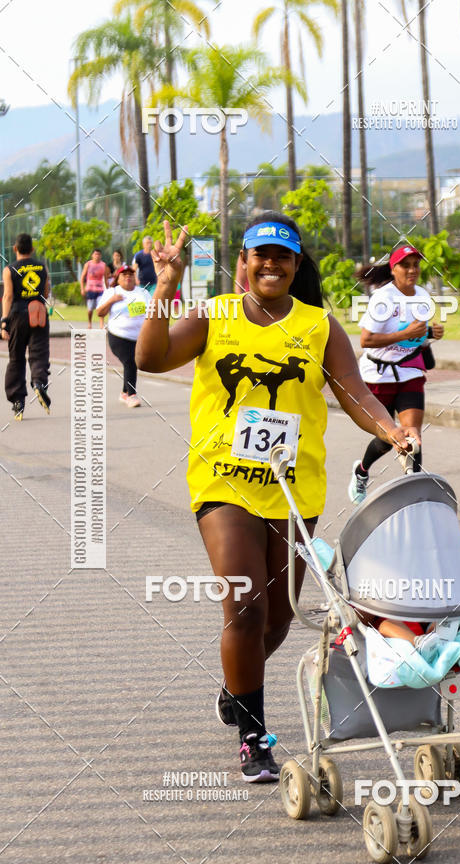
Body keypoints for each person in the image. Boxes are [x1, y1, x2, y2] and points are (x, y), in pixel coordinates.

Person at [135, 212, 418, 783]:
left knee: (279, 620)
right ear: (243, 262)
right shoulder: (214, 315)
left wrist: (391, 430)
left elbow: (354, 392)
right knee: (245, 605)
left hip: (293, 488)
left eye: (282, 256)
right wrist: (164, 289)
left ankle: (236, 688)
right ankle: (252, 735)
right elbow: (149, 357)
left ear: (294, 266)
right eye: (260, 254)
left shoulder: (318, 326)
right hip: (224, 483)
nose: (270, 264)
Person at [347, 245, 444, 504]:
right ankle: (362, 471)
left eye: (416, 264)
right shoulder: (383, 299)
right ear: (394, 269)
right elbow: (366, 340)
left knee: (412, 436)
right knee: (389, 438)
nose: (412, 270)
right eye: (406, 265)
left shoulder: (422, 295)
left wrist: (429, 335)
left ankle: (412, 498)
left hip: (409, 371)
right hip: (378, 375)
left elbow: (416, 336)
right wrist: (406, 334)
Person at [1, 233, 51, 420]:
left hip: (17, 315)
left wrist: (4, 321)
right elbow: (46, 292)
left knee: (16, 357)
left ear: (15, 248)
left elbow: (7, 296)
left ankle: (18, 401)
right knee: (39, 353)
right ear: (32, 248)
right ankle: (39, 383)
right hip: (38, 313)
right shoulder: (41, 267)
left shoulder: (9, 269)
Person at [96, 264, 151, 408]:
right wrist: (111, 301)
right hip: (118, 335)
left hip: (139, 337)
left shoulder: (142, 293)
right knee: (130, 362)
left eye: (131, 274)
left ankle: (123, 392)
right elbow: (100, 312)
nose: (128, 276)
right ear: (118, 279)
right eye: (124, 274)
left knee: (133, 363)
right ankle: (131, 395)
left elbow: (152, 312)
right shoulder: (112, 292)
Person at [80, 249, 109, 328]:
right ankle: (90, 323)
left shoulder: (103, 265)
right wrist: (82, 289)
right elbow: (82, 277)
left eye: (99, 254)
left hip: (100, 290)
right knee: (90, 308)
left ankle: (101, 325)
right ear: (92, 255)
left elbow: (106, 279)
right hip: (90, 289)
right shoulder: (88, 264)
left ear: (101, 256)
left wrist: (108, 290)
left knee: (101, 307)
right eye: (95, 254)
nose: (97, 256)